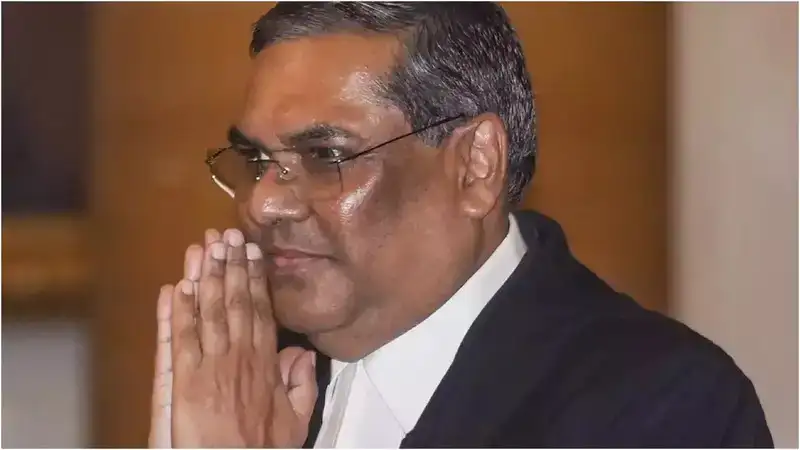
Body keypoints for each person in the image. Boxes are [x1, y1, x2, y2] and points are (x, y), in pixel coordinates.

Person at [148, 2, 773, 448]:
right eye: (256, 161)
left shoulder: (659, 406)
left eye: (325, 156)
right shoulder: (245, 382)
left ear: (476, 165)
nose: (264, 204)